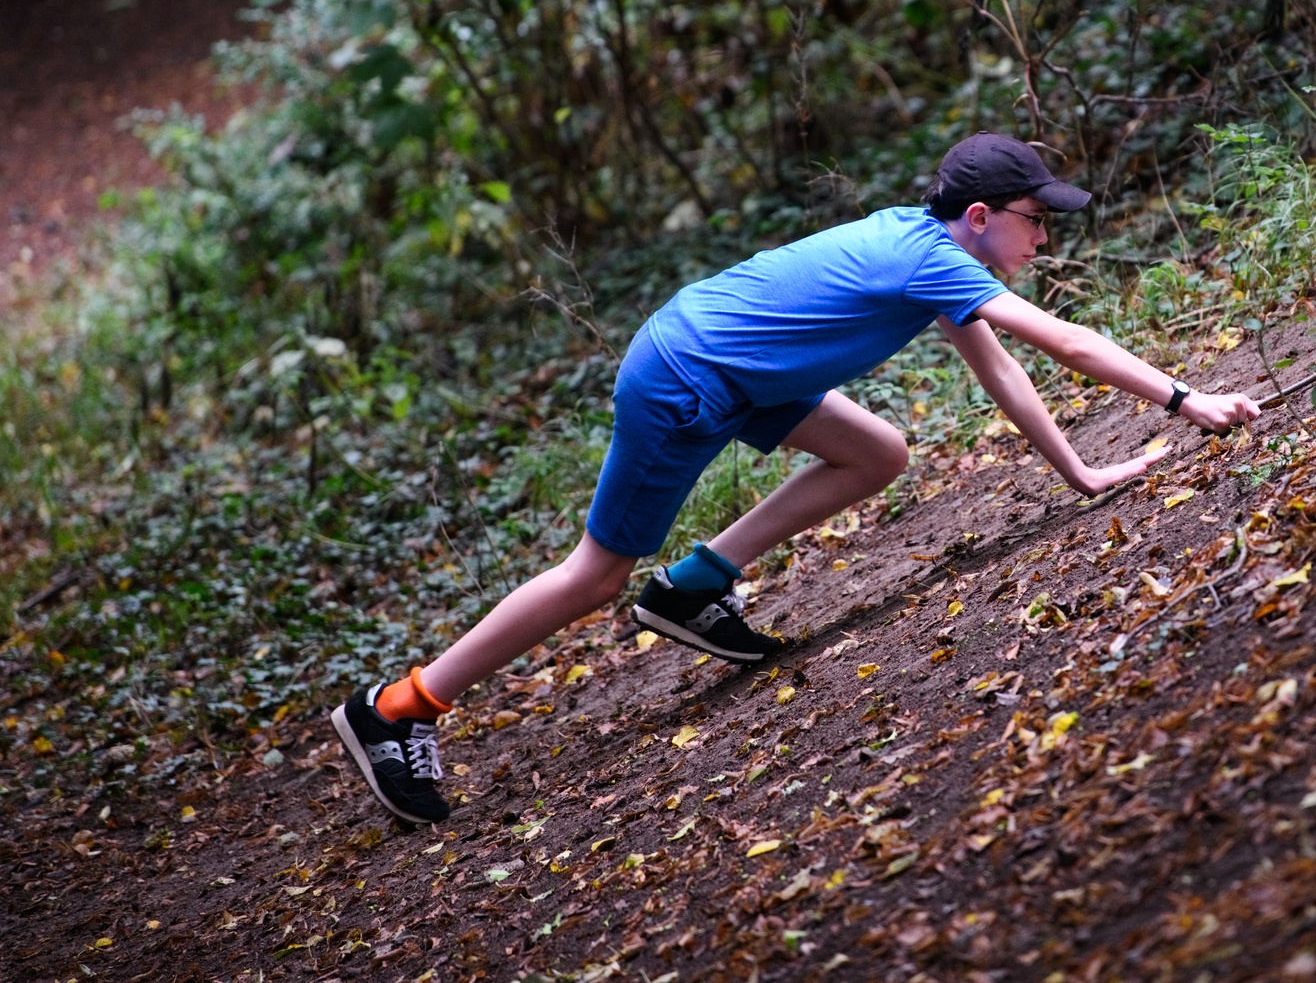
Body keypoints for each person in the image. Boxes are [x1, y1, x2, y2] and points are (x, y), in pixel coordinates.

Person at [330, 133, 1260, 823]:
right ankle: (398, 707)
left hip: (740, 367)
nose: (1044, 239)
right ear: (980, 217)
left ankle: (694, 589)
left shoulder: (934, 255)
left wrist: (1082, 473)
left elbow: (1004, 370)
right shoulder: (929, 255)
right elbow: (1066, 342)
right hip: (686, 376)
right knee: (595, 575)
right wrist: (1188, 398)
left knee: (877, 451)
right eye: (1036, 220)